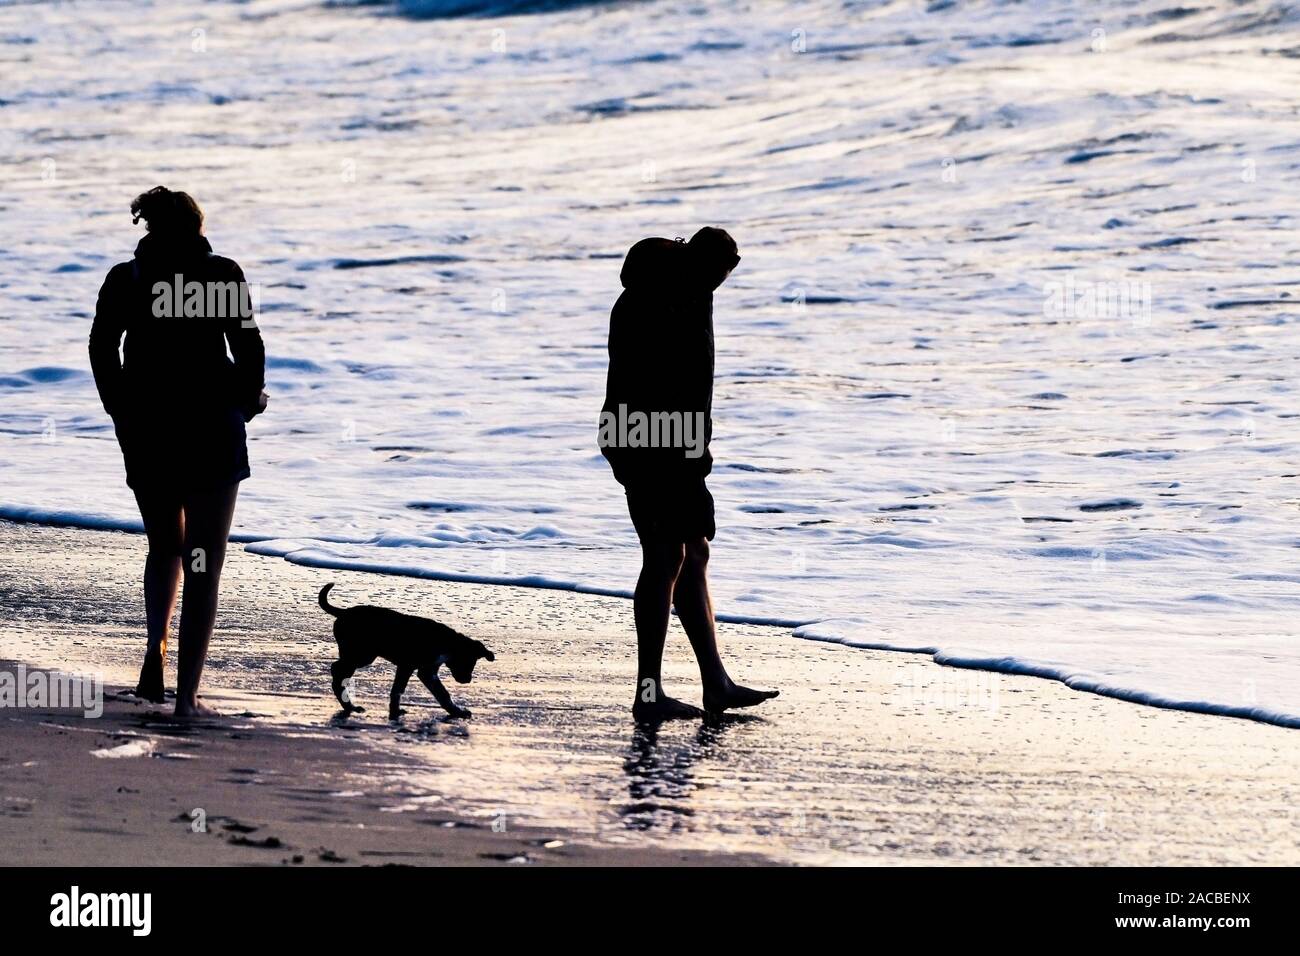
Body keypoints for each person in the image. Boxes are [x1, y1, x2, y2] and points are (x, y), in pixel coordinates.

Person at [89, 187, 267, 720]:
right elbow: (249, 345)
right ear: (196, 227)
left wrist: (121, 410)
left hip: (148, 431)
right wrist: (247, 400)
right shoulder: (221, 274)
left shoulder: (127, 279)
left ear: (148, 227)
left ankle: (154, 652)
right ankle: (186, 697)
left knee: (165, 545)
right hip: (212, 427)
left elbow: (102, 348)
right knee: (202, 562)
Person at [599, 227, 778, 721]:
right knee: (664, 558)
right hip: (648, 440)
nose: (723, 281)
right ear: (694, 262)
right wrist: (679, 455)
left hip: (669, 441)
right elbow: (659, 387)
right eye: (721, 270)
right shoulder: (654, 301)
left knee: (693, 550)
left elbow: (693, 387)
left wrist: (695, 453)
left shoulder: (693, 292)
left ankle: (715, 682)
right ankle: (649, 693)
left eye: (731, 270)